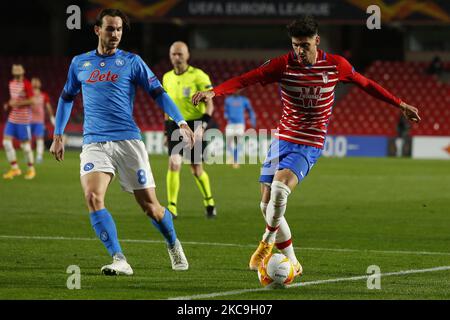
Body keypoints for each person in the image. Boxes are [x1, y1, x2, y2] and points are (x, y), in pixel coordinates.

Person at [193, 16, 421, 278]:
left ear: (317, 41)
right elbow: (247, 79)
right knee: (265, 206)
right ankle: (294, 263)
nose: (299, 51)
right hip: (282, 139)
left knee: (280, 190)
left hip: (310, 141)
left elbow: (367, 84)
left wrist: (400, 104)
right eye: (295, 45)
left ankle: (266, 243)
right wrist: (214, 92)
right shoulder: (283, 64)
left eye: (304, 45)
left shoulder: (336, 65)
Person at [50, 8, 195, 275]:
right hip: (94, 141)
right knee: (93, 197)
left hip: (128, 141)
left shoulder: (132, 61)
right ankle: (119, 259)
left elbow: (159, 93)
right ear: (97, 30)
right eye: (110, 28)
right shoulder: (79, 63)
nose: (115, 34)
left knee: (150, 207)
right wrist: (58, 134)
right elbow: (66, 98)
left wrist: (182, 122)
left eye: (118, 29)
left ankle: (173, 243)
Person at [163, 41, 217, 219]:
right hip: (175, 125)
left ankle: (209, 202)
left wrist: (202, 127)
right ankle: (172, 207)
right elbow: (166, 105)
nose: (177, 57)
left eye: (180, 54)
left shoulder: (199, 76)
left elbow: (210, 106)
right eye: (173, 54)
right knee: (174, 163)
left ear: (187, 55)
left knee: (196, 169)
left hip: (195, 124)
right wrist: (166, 131)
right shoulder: (167, 77)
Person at [3, 64, 36, 180]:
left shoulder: (26, 84)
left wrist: (17, 104)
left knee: (26, 147)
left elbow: (32, 101)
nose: (17, 73)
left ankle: (31, 169)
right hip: (12, 118)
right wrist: (8, 104)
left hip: (23, 120)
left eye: (18, 72)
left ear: (22, 73)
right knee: (6, 143)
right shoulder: (11, 83)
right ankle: (15, 168)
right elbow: (14, 99)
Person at [224, 92, 256, 168]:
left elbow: (250, 110)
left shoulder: (244, 100)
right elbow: (226, 110)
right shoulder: (228, 100)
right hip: (230, 124)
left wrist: (253, 120)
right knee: (229, 142)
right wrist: (226, 115)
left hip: (240, 124)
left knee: (238, 142)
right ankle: (232, 156)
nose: (236, 91)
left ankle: (236, 161)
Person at [30, 77, 55, 163]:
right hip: (27, 120)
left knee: (39, 138)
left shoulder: (43, 95)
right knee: (26, 139)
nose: (36, 82)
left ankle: (39, 157)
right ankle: (29, 157)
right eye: (34, 81)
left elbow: (48, 107)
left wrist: (52, 117)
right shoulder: (28, 95)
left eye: (37, 81)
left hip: (39, 121)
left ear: (40, 84)